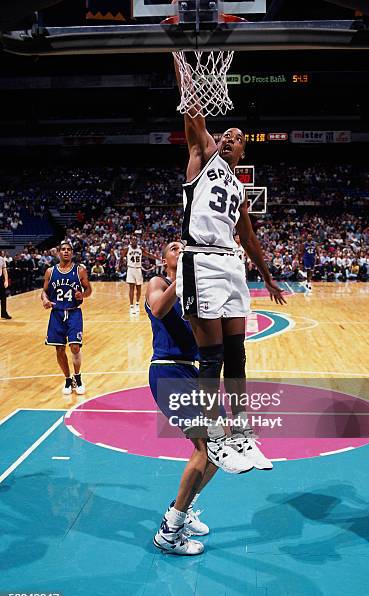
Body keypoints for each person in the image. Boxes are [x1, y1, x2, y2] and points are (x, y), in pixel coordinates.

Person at [174, 58, 286, 474]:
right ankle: (212, 434)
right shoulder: (202, 158)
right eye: (225, 134)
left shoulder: (239, 187)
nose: (228, 138)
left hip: (232, 265)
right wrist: (182, 60)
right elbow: (193, 114)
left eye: (236, 138)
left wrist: (269, 278)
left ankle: (240, 432)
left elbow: (251, 239)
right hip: (200, 259)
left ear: (243, 151)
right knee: (212, 357)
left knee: (237, 354)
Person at [147, 241, 224, 555]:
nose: (180, 249)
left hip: (192, 373)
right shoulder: (158, 282)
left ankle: (181, 508)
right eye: (174, 247)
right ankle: (170, 530)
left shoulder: (198, 293)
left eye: (185, 247)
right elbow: (158, 308)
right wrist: (185, 276)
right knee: (205, 448)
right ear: (165, 258)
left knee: (220, 448)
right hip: (167, 370)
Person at [41, 240, 92, 395]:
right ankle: (68, 379)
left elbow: (89, 289)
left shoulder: (80, 270)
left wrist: (82, 294)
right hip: (56, 314)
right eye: (63, 249)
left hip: (73, 312)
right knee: (59, 348)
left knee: (75, 347)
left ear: (72, 253)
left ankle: (78, 376)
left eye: (69, 249)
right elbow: (44, 291)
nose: (66, 252)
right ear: (58, 252)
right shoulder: (50, 271)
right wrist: (44, 299)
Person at [120, 236, 155, 315]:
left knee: (138, 288)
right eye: (133, 239)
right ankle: (131, 306)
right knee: (131, 288)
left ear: (137, 241)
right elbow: (121, 258)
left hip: (138, 269)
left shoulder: (140, 249)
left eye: (135, 240)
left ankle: (137, 304)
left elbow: (148, 255)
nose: (134, 241)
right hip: (131, 269)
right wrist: (119, 266)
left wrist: (158, 258)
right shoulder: (127, 249)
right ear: (130, 241)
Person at [0, 250, 11, 319]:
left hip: (0, 279)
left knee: (3, 297)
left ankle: (4, 313)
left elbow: (4, 270)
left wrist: (6, 280)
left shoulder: (2, 259)